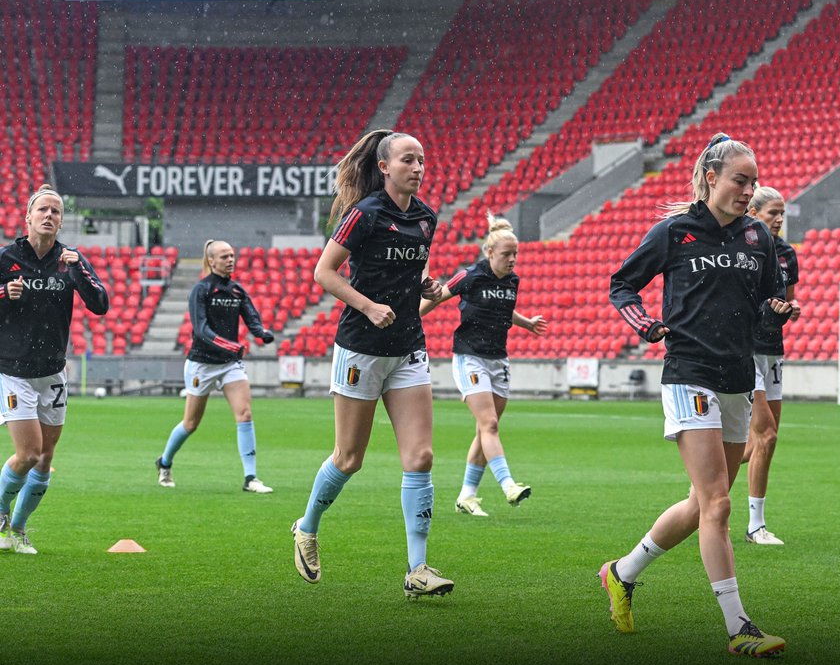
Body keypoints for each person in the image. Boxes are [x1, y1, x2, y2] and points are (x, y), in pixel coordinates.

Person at [600, 133, 793, 657]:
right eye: (739, 180)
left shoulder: (760, 238)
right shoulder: (675, 232)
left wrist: (777, 309)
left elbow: (766, 297)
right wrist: (644, 323)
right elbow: (622, 284)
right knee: (719, 504)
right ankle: (740, 629)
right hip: (689, 374)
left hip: (738, 379)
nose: (747, 191)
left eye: (752, 182)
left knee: (700, 503)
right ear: (711, 178)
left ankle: (621, 573)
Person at [290, 129, 453, 598]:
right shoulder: (363, 214)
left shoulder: (426, 218)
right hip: (361, 347)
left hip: (408, 347)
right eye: (408, 160)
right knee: (349, 458)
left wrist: (426, 284)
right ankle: (307, 528)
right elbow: (324, 272)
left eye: (421, 160)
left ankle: (417, 569)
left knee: (420, 457)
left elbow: (410, 268)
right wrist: (366, 305)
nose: (417, 168)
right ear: (384, 167)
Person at [0, 185, 109, 555]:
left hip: (53, 373)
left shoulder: (71, 259)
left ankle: (18, 528)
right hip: (14, 370)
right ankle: (0, 514)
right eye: (43, 209)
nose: (50, 216)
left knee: (46, 459)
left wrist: (79, 272)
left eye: (57, 211)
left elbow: (101, 304)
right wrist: (4, 295)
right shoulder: (6, 258)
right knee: (28, 453)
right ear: (27, 217)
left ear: (61, 221)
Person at [419, 214, 547, 517]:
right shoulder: (471, 276)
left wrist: (527, 324)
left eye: (515, 254)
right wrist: (412, 318)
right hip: (470, 356)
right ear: (489, 253)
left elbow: (505, 310)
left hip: (498, 359)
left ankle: (467, 495)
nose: (512, 259)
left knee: (485, 428)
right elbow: (438, 298)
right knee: (489, 424)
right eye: (506, 254)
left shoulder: (513, 281)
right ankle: (508, 486)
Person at [154, 239, 275, 493]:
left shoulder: (237, 290)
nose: (230, 260)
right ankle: (164, 462)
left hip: (229, 364)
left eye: (232, 255)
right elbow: (201, 330)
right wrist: (231, 346)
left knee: (245, 414)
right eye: (224, 256)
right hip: (202, 364)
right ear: (211, 261)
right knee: (191, 423)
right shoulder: (201, 289)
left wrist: (261, 333)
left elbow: (252, 317)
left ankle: (250, 477)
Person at [741, 186, 799, 545]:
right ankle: (755, 526)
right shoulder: (742, 249)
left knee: (763, 439)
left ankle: (704, 490)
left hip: (772, 350)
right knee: (767, 434)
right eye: (771, 213)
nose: (778, 220)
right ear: (753, 213)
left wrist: (791, 310)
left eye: (781, 214)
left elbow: (788, 301)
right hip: (745, 350)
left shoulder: (787, 254)